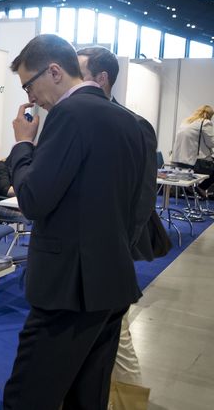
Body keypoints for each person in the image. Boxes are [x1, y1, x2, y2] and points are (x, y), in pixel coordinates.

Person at [3, 34, 146, 409]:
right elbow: (135, 206)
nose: (31, 98)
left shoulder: (69, 114)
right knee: (86, 399)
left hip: (68, 289)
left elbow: (33, 200)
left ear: (54, 72)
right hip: (111, 283)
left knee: (27, 398)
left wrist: (22, 144)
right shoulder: (129, 121)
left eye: (29, 86)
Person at [78, 46, 157, 403]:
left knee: (118, 344)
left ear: (102, 78)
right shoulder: (72, 119)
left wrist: (119, 249)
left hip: (111, 258)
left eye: (80, 74)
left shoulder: (134, 126)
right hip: (75, 261)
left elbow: (142, 199)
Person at [171, 105, 214, 192]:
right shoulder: (205, 123)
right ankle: (201, 188)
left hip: (178, 163)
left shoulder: (186, 122)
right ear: (210, 115)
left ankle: (191, 189)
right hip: (195, 164)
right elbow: (212, 142)